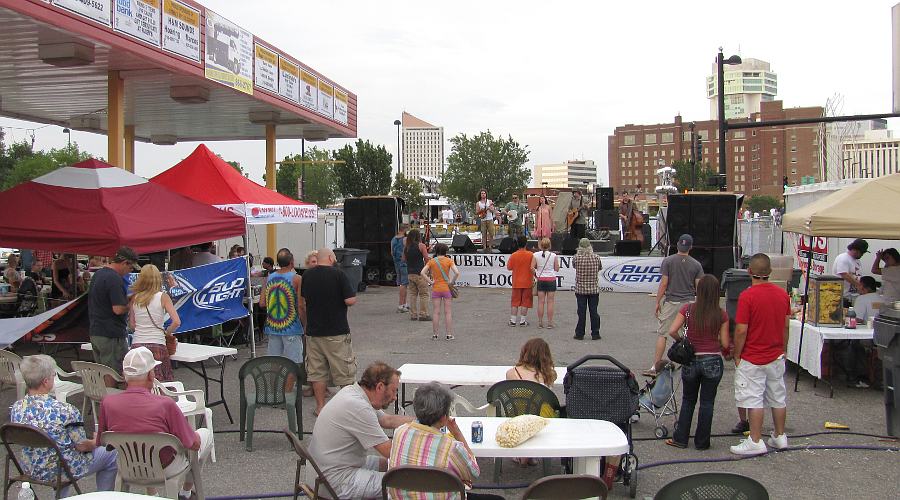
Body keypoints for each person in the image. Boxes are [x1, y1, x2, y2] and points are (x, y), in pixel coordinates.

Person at [97, 347, 212, 499]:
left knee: (139, 443)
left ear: (125, 376)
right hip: (166, 468)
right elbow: (193, 443)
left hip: (128, 467)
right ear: (151, 375)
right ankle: (185, 492)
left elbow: (101, 441)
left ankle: (154, 494)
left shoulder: (107, 402)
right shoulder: (165, 404)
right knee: (204, 435)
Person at [10, 355, 118, 496]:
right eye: (53, 375)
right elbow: (82, 446)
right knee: (111, 453)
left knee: (60, 450)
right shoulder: (65, 410)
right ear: (46, 381)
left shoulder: (17, 408)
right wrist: (97, 441)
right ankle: (104, 497)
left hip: (31, 467)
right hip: (61, 469)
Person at [306, 362, 412, 499]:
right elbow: (390, 451)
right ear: (380, 387)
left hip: (324, 471)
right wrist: (426, 456)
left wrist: (424, 421)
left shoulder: (353, 392)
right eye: (393, 391)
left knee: (387, 466)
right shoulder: (358, 407)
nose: (395, 397)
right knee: (404, 485)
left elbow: (388, 420)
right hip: (334, 481)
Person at [388, 382, 504, 500]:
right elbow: (474, 473)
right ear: (444, 418)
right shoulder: (451, 447)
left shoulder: (399, 432)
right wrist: (457, 433)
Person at [730, 254, 791, 456]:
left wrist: (737, 353)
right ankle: (780, 435)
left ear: (749, 271)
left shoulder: (747, 296)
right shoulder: (783, 294)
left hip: (753, 355)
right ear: (770, 272)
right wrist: (784, 349)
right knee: (777, 396)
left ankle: (755, 440)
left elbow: (741, 329)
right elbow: (785, 326)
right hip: (776, 353)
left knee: (754, 398)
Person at [664, 275, 730, 450]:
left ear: (698, 291)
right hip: (713, 360)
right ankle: (702, 442)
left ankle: (681, 438)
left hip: (692, 359)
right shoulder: (721, 314)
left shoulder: (687, 309)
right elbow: (724, 343)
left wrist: (683, 341)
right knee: (707, 402)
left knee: (688, 400)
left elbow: (672, 331)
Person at [301, 248, 358, 416]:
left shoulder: (307, 276)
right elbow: (350, 300)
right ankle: (349, 409)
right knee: (344, 371)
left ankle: (320, 407)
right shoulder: (338, 274)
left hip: (314, 331)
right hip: (336, 330)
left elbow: (303, 301)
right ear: (331, 257)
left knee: (317, 372)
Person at [647, 234, 703, 376]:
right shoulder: (696, 264)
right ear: (690, 247)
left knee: (663, 333)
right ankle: (692, 362)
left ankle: (655, 366)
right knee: (690, 333)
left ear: (677, 245)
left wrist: (657, 301)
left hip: (672, 301)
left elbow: (664, 283)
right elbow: (699, 287)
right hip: (689, 302)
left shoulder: (668, 261)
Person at [129, 264, 181, 382]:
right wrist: (167, 332)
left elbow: (132, 325)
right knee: (160, 383)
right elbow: (176, 322)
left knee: (138, 382)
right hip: (157, 344)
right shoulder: (163, 297)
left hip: (137, 345)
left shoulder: (135, 298)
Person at [89, 246, 137, 374]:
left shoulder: (99, 274)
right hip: (111, 334)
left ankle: (103, 394)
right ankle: (110, 394)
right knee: (112, 373)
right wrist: (131, 303)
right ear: (124, 263)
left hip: (96, 331)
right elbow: (118, 309)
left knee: (102, 371)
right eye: (130, 267)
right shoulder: (115, 279)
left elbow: (105, 300)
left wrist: (127, 297)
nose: (129, 271)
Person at [259, 248, 305, 365]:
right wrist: (305, 324)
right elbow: (300, 305)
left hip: (273, 326)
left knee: (274, 363)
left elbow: (262, 303)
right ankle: (289, 384)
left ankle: (275, 384)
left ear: (278, 263)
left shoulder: (268, 278)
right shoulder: (297, 279)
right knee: (294, 363)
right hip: (291, 326)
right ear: (292, 262)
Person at [422, 243, 459, 340]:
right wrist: (451, 282)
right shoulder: (449, 261)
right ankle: (449, 334)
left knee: (436, 312)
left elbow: (422, 273)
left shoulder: (432, 261)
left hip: (436, 288)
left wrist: (430, 281)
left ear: (436, 251)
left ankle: (435, 335)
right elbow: (457, 273)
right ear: (445, 251)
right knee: (448, 312)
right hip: (446, 288)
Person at [573, 237, 602, 340]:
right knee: (594, 311)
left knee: (581, 312)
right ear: (590, 246)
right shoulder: (597, 257)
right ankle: (595, 333)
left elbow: (574, 266)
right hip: (593, 289)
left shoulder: (576, 258)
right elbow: (599, 268)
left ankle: (580, 333)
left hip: (580, 289)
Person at [506, 235, 535, 327]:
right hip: (527, 282)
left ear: (517, 244)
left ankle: (513, 320)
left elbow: (509, 267)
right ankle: (523, 321)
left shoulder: (513, 255)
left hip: (516, 282)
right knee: (525, 302)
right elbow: (535, 267)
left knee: (515, 302)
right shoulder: (531, 255)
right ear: (526, 244)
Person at [403, 229, 431, 322]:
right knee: (424, 294)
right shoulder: (421, 246)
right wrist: (428, 269)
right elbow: (426, 258)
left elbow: (403, 259)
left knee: (412, 294)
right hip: (420, 273)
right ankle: (423, 314)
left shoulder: (406, 247)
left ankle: (413, 315)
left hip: (410, 273)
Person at [533, 238, 559, 329]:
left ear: (540, 245)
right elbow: (557, 268)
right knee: (550, 302)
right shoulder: (554, 255)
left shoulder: (535, 255)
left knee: (541, 302)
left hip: (541, 279)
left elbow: (531, 267)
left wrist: (536, 274)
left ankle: (540, 322)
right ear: (550, 245)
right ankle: (550, 322)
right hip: (551, 279)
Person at [833, 238, 868, 305]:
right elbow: (844, 274)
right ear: (856, 250)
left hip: (853, 296)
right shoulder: (843, 258)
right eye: (862, 252)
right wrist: (859, 286)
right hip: (843, 296)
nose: (862, 255)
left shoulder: (857, 261)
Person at [391, 225, 410, 314]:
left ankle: (405, 303)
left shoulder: (393, 239)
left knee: (402, 283)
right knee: (404, 283)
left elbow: (391, 252)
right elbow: (406, 251)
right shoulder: (405, 239)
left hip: (396, 262)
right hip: (404, 263)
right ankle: (401, 305)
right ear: (405, 230)